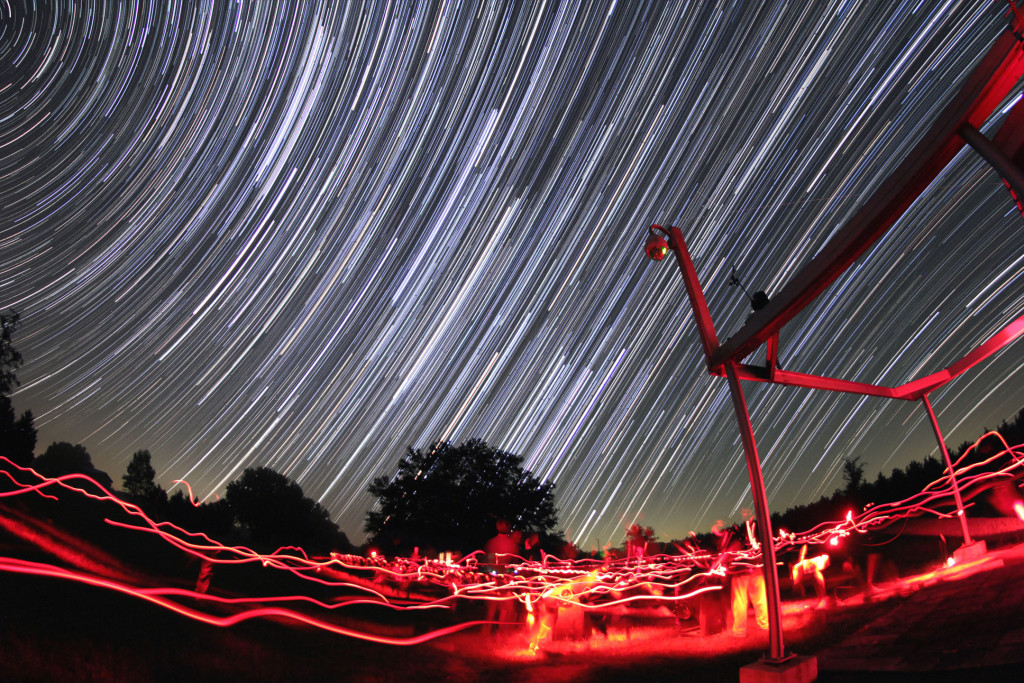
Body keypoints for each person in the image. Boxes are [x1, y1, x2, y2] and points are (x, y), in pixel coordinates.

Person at [723, 519, 768, 636]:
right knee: (760, 599)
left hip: (741, 569)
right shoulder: (758, 526)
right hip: (755, 565)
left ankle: (739, 631)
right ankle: (765, 626)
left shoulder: (739, 530)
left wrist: (723, 562)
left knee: (740, 600)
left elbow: (733, 547)